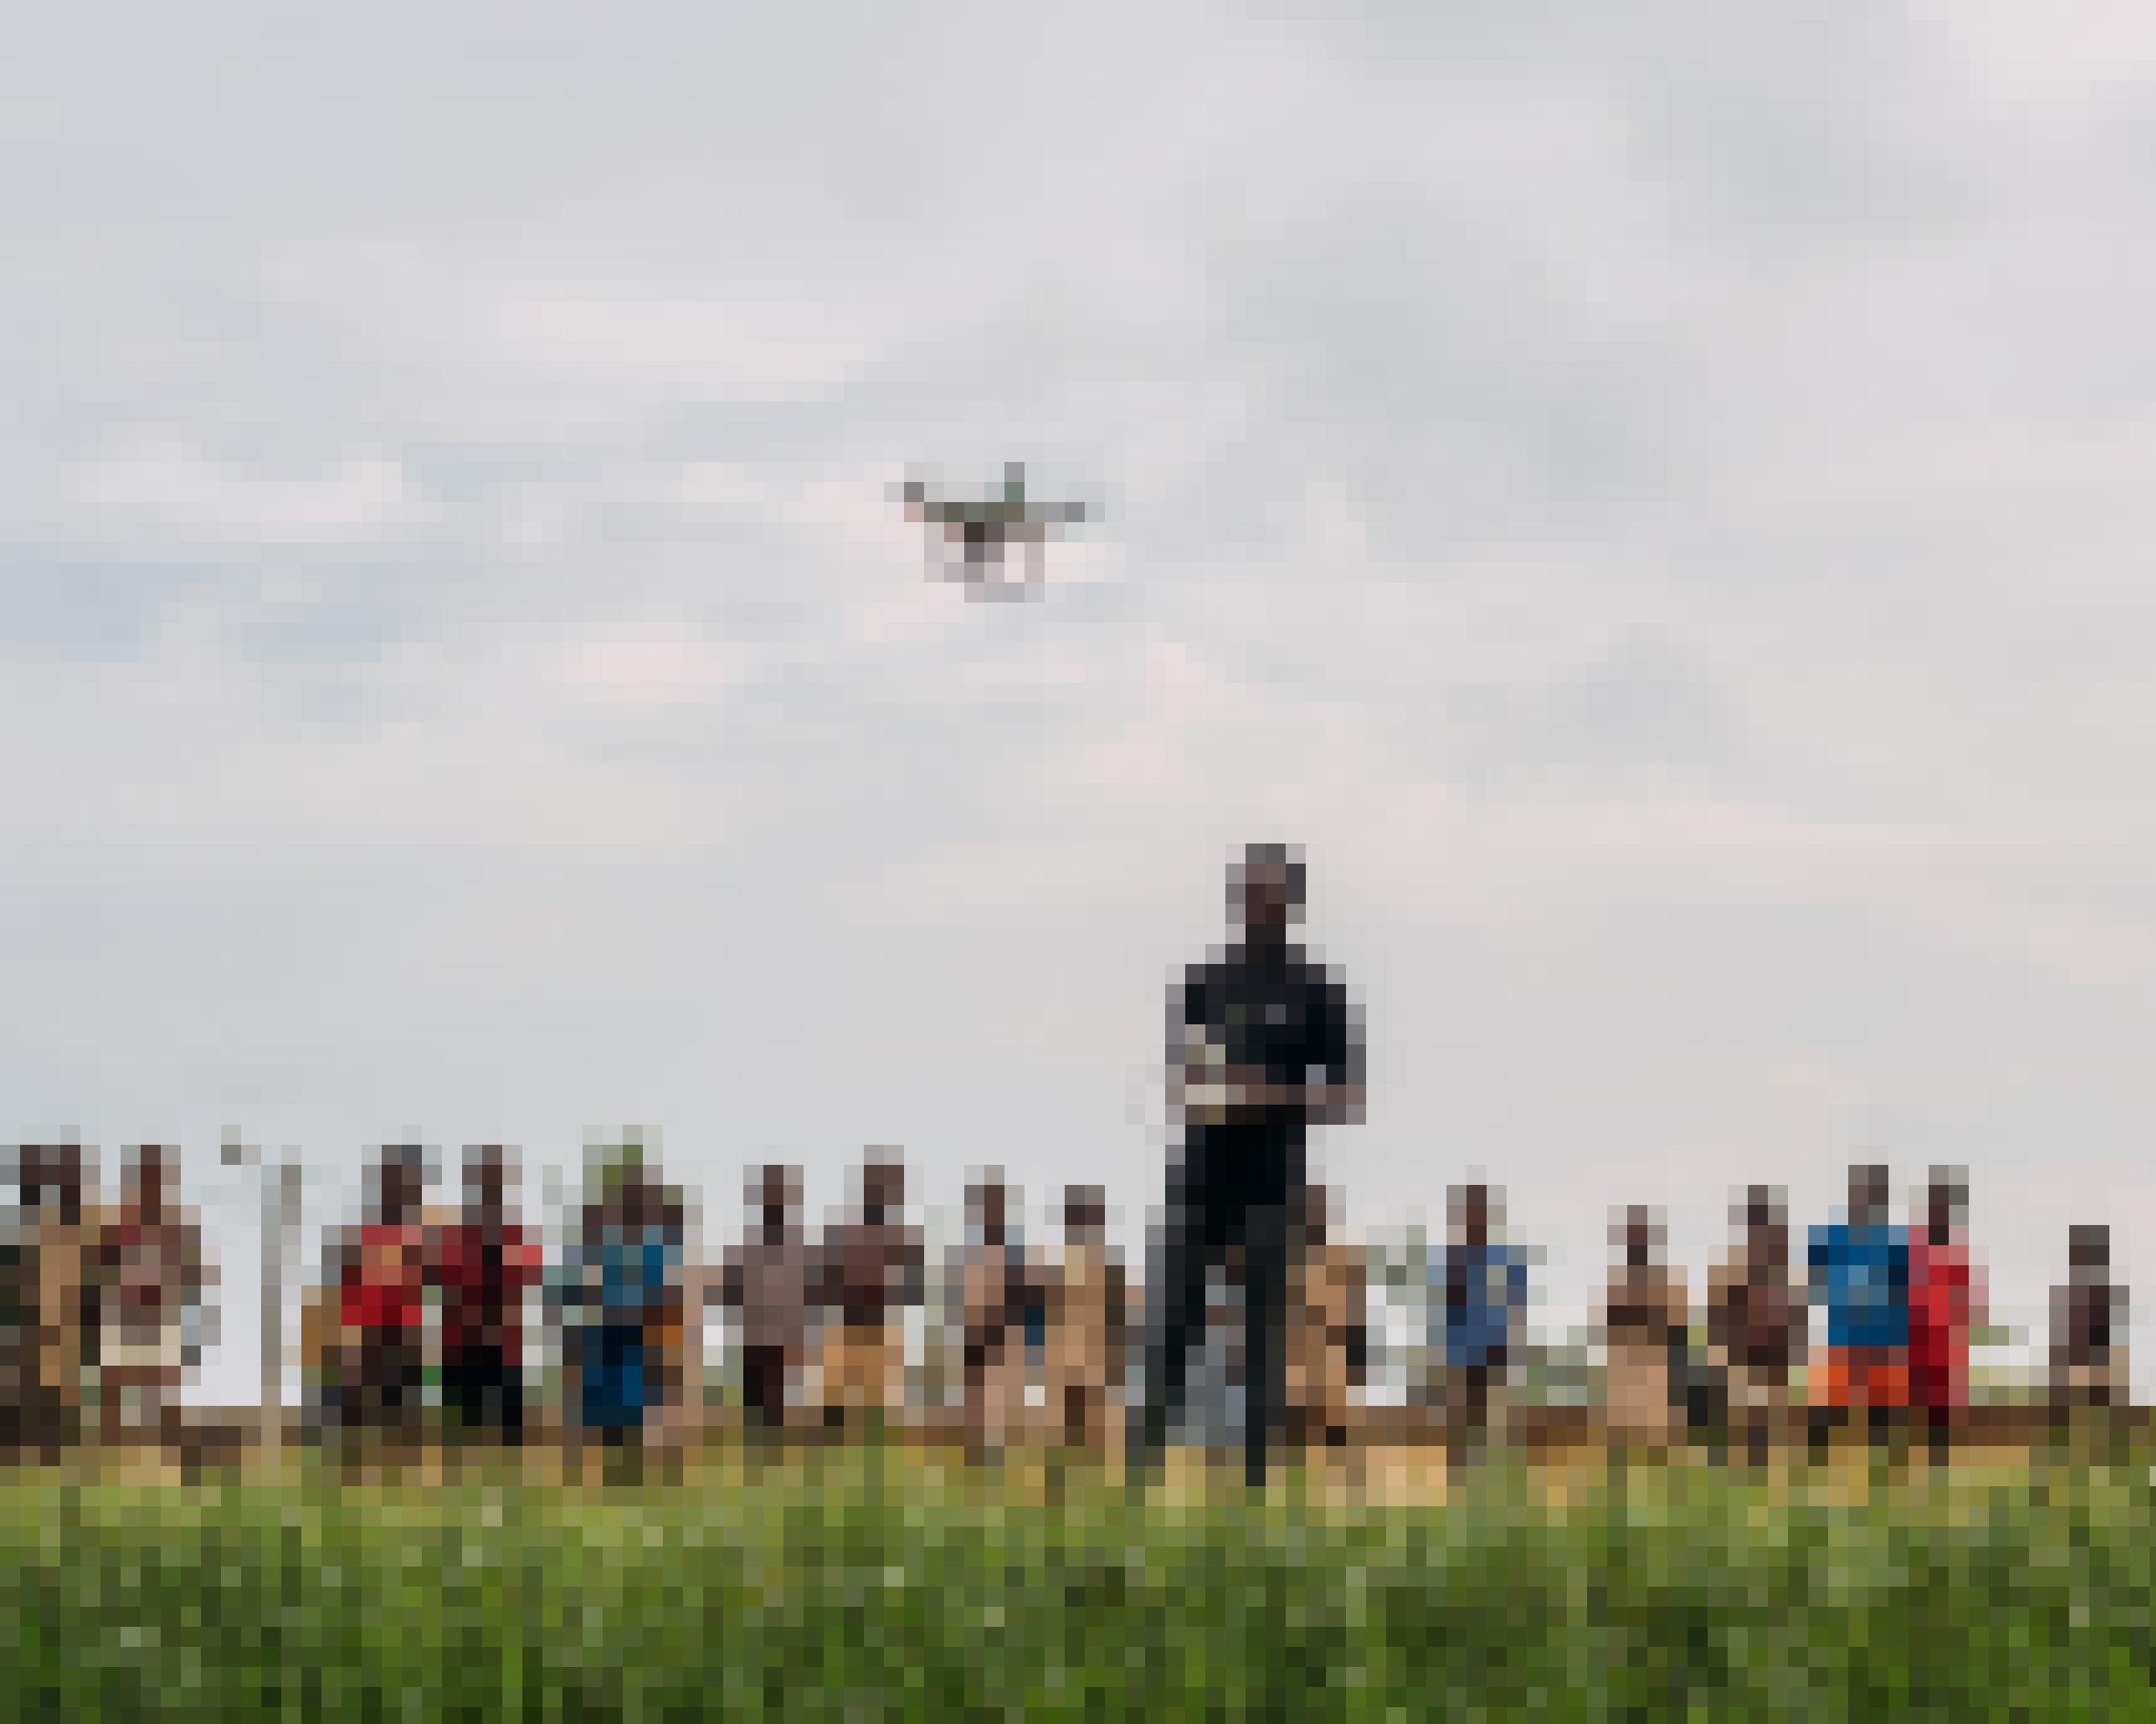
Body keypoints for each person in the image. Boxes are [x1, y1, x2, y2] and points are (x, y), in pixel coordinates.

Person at [1128, 843, 1365, 1489]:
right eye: (1250, 893)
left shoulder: (1317, 991)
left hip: (1271, 1182)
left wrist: (1270, 1096)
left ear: (1293, 903)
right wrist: (1219, 1091)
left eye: (1272, 894)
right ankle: (1135, 1479)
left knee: (1262, 1337)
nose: (1260, 905)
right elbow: (1184, 1083)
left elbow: (1347, 1094)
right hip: (1202, 1175)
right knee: (1172, 1325)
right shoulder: (1205, 986)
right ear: (1235, 900)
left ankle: (1255, 1491)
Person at [550, 1156, 681, 1469]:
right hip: (606, 1326)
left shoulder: (649, 1241)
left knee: (630, 1398)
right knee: (604, 1398)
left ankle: (629, 1458)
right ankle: (602, 1459)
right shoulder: (600, 1237)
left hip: (631, 1327)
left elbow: (661, 1287)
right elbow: (577, 1281)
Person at [92, 1145, 210, 1455]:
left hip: (160, 1320)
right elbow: (101, 1271)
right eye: (146, 1179)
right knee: (117, 1386)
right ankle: (113, 1451)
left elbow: (190, 1278)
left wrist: (191, 1330)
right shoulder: (115, 1225)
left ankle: (162, 1451)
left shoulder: (177, 1229)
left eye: (156, 1180)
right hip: (125, 1317)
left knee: (158, 1389)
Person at [433, 1146, 541, 1446]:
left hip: (497, 1347)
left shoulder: (512, 1238)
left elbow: (530, 1279)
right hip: (466, 1346)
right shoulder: (457, 1240)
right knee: (465, 1433)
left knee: (500, 1433)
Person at [814, 1154, 924, 1437]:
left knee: (875, 1388)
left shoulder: (897, 1239)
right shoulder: (852, 1235)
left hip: (878, 1321)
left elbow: (912, 1285)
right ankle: (841, 1430)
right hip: (854, 1320)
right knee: (846, 1387)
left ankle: (868, 1430)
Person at [331, 1146, 432, 1456]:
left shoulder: (420, 1239)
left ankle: (396, 1457)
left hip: (403, 1333)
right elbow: (351, 1287)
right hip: (373, 1332)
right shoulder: (365, 1236)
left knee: (400, 1407)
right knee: (368, 1406)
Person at [1806, 1163, 1911, 1459]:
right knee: (1837, 1412)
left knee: (1880, 1416)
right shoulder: (1832, 1240)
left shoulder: (1896, 1245)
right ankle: (1825, 1457)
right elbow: (1817, 1290)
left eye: (1875, 1194)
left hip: (1880, 1341)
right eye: (1866, 1193)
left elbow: (1903, 1298)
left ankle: (1882, 1460)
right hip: (1850, 1338)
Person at [1432, 1183, 1528, 1469]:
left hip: (1493, 1354)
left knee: (1495, 1423)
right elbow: (1444, 1312)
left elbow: (1514, 1309)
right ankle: (1462, 1469)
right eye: (1469, 1212)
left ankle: (1494, 1468)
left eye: (1478, 1212)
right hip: (1460, 1355)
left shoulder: (1504, 1260)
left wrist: (1509, 1349)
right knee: (1462, 1423)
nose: (1474, 1219)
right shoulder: (1452, 1262)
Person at [718, 1163, 814, 1447]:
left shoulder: (789, 1253)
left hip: (774, 1336)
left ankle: (769, 1442)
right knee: (761, 1400)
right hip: (761, 1335)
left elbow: (803, 1294)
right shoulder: (756, 1251)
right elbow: (734, 1291)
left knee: (773, 1399)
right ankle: (762, 1443)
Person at [1705, 1186, 1801, 1468]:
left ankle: (1758, 1461)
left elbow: (1791, 1314)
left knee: (1760, 1417)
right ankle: (1751, 1461)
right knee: (1753, 1417)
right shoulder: (1761, 1267)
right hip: (1752, 1355)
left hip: (1764, 1355)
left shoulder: (1771, 1267)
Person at [952, 1170, 1044, 1463]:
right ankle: (982, 1453)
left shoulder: (1011, 1256)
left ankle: (997, 1454)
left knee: (1002, 1403)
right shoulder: (974, 1256)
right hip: (983, 1338)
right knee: (983, 1403)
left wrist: (1031, 1340)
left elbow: (1029, 1299)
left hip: (1004, 1338)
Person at [1599, 1205, 1690, 1465]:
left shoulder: (1658, 1288)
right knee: (1634, 1431)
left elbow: (1675, 1333)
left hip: (1652, 1370)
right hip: (1634, 1370)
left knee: (1652, 1431)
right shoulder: (1625, 1287)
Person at [1908, 1166, 1985, 1465]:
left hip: (1942, 1347)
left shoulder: (1950, 1256)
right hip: (1927, 1344)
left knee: (1938, 1408)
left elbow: (1963, 1303)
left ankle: (1933, 1457)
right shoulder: (1927, 1254)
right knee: (1927, 1405)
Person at [1286, 1183, 1368, 1459]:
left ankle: (1334, 1463)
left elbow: (1354, 1314)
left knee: (1333, 1424)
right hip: (1298, 1354)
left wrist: (1357, 1360)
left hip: (1333, 1354)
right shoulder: (1289, 1262)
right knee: (1298, 1423)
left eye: (1317, 1212)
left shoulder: (1341, 1261)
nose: (1312, 1219)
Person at [1045, 1185, 1127, 1456]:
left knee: (1088, 1416)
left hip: (1088, 1351)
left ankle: (1086, 1452)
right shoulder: (1068, 1267)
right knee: (1077, 1416)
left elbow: (1115, 1314)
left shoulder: (1096, 1268)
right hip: (1079, 1351)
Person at [2050, 1224, 2129, 1457]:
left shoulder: (2105, 1294)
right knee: (2080, 1416)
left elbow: (2115, 1338)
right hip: (2082, 1362)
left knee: (2094, 1416)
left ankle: (2096, 1449)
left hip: (2095, 1362)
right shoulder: (2070, 1295)